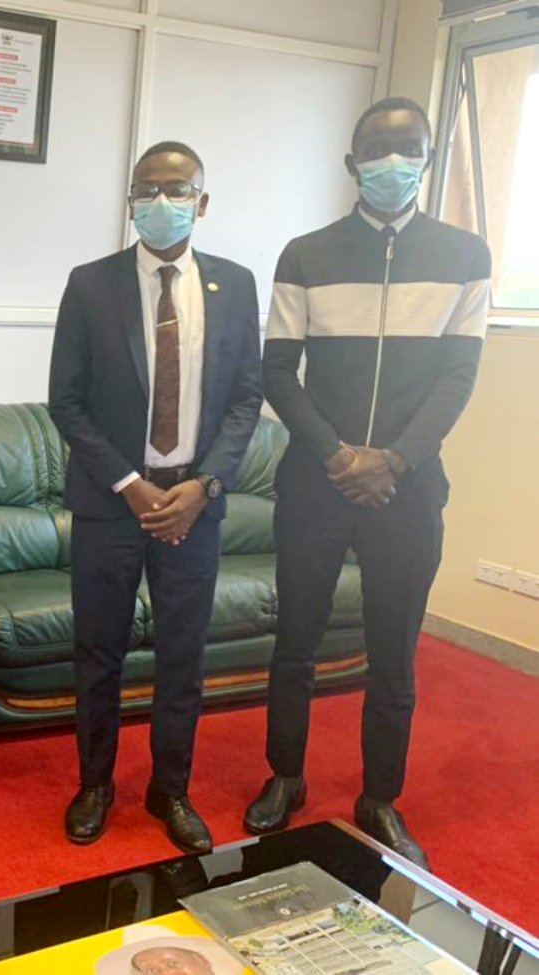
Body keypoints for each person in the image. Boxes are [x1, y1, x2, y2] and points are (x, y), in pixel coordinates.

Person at [245, 97, 490, 869]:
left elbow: (459, 374)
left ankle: (381, 794)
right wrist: (339, 455)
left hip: (410, 487)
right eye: (378, 150)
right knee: (296, 645)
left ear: (427, 157)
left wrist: (397, 460)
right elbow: (278, 371)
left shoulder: (465, 255)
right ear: (352, 165)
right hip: (318, 480)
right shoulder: (306, 254)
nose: (394, 162)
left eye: (408, 148)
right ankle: (284, 774)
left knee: (394, 652)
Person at [49, 142, 264, 854]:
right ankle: (95, 784)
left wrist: (205, 486)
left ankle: (170, 789)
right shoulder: (90, 283)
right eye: (148, 188)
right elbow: (67, 401)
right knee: (98, 653)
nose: (161, 201)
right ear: (130, 198)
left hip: (194, 506)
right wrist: (131, 483)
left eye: (177, 189)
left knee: (183, 656)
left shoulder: (234, 285)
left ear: (202, 202)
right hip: (114, 501)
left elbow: (245, 398)